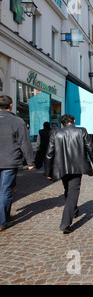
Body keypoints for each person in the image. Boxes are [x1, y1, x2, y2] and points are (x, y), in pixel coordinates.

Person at [45, 114, 93, 234]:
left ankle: (73, 211)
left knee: (68, 189)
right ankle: (65, 222)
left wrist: (48, 171)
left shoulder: (56, 133)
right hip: (77, 166)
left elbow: (49, 153)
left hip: (61, 167)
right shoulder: (81, 131)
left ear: (62, 123)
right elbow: (90, 148)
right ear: (73, 121)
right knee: (73, 191)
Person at [0, 95, 35, 232]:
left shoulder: (17, 121)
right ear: (11, 105)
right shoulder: (17, 121)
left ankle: (4, 217)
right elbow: (24, 143)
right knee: (5, 190)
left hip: (10, 160)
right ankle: (2, 220)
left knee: (5, 190)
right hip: (10, 160)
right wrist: (30, 161)